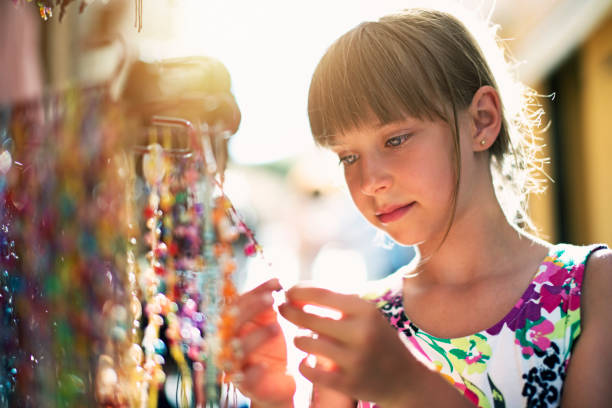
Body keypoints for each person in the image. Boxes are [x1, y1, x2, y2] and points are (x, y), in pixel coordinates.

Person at [228, 7, 612, 408]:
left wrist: (409, 388)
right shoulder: (361, 327)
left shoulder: (591, 287)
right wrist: (274, 399)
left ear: (481, 121)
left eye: (395, 140)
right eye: (347, 157)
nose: (369, 181)